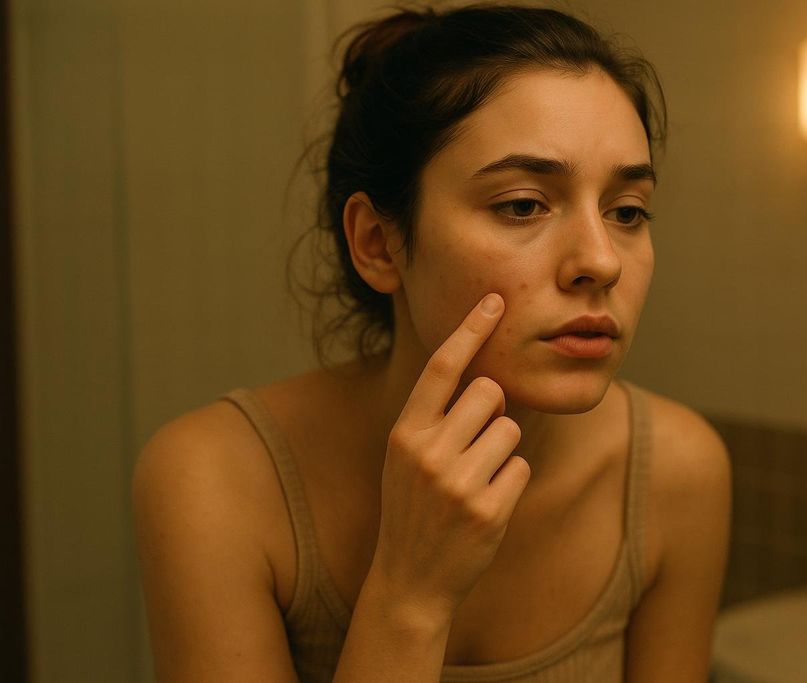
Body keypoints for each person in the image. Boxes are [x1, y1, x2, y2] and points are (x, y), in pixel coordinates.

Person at [131, 3, 731, 682]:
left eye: (626, 211)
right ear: (379, 243)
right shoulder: (216, 482)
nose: (601, 261)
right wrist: (409, 594)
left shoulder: (678, 474)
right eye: (523, 204)